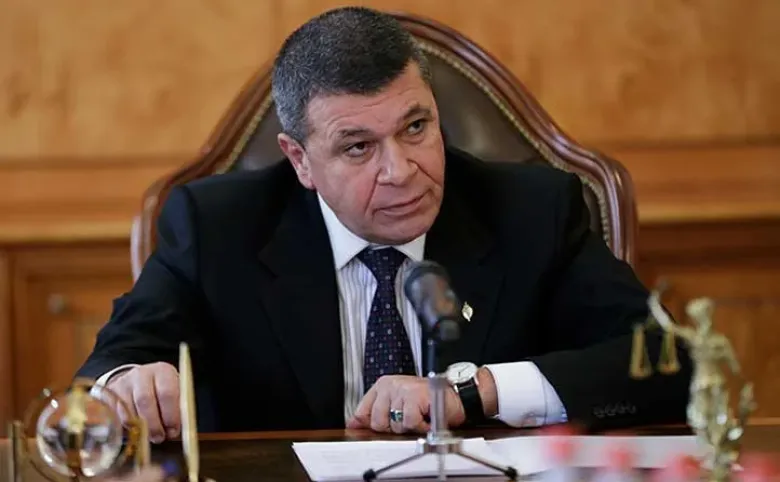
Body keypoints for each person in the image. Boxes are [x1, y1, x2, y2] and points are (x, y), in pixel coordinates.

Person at [76, 6, 691, 443]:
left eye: (416, 127)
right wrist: (130, 384)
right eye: (358, 147)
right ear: (300, 160)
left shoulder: (532, 211)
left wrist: (472, 392)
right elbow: (113, 364)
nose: (401, 171)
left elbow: (670, 364)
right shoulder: (216, 228)